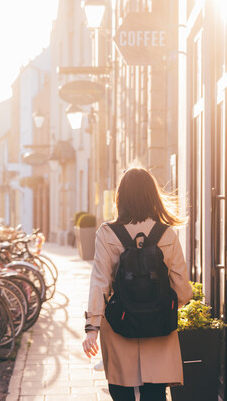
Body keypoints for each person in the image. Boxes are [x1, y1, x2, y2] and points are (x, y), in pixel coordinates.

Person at [82, 168, 193, 401]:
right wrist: (162, 305)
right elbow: (182, 287)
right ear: (152, 195)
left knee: (121, 391)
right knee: (155, 393)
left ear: (120, 197)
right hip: (159, 327)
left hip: (121, 325)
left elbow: (99, 281)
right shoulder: (167, 234)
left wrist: (92, 327)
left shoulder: (107, 233)